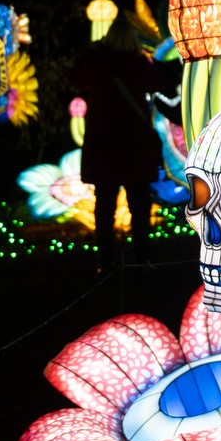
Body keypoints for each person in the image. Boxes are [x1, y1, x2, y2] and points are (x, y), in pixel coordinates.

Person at [68, 13, 178, 261]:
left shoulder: (97, 59)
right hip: (135, 145)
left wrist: (91, 52)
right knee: (139, 203)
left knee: (104, 204)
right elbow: (158, 83)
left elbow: (76, 79)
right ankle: (141, 256)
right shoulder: (138, 62)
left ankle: (106, 258)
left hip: (103, 144)